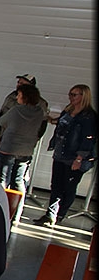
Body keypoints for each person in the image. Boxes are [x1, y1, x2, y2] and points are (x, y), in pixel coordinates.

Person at [34, 84, 97, 228]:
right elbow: (61, 124)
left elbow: (88, 139)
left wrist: (79, 159)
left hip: (74, 157)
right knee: (56, 185)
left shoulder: (88, 116)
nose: (71, 97)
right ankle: (50, 214)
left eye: (74, 95)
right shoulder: (68, 110)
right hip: (60, 154)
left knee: (68, 187)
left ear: (84, 96)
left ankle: (60, 214)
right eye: (70, 94)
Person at [0, 83, 48, 199]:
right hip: (26, 151)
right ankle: (17, 207)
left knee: (3, 179)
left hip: (8, 148)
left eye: (19, 95)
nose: (17, 97)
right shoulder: (39, 112)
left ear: (25, 97)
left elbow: (2, 121)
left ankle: (1, 203)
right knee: (19, 180)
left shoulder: (16, 110)